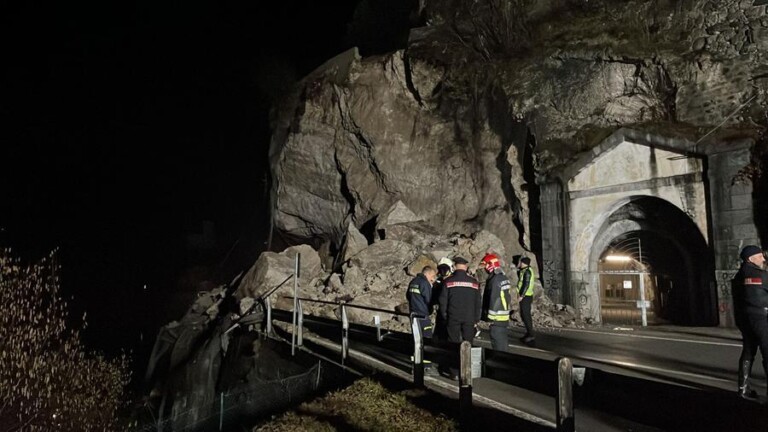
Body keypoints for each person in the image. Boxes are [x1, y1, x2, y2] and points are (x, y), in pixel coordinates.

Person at [732, 245, 768, 400]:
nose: (763, 259)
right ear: (750, 258)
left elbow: (736, 301)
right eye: (760, 256)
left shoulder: (738, 277)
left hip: (746, 321)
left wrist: (741, 322)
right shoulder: (763, 276)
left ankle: (743, 389)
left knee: (748, 352)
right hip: (763, 319)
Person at [480, 253, 512, 352]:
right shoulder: (504, 277)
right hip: (504, 317)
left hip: (496, 319)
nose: (484, 268)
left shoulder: (495, 280)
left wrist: (490, 317)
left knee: (498, 347)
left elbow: (495, 298)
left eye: (485, 265)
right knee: (503, 344)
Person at [406, 266, 438, 338]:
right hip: (423, 314)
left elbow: (408, 296)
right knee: (426, 336)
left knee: (416, 336)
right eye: (432, 276)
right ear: (428, 274)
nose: (433, 278)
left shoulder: (413, 281)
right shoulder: (425, 283)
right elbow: (428, 299)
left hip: (413, 313)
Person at [431, 257, 453, 344]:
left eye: (445, 269)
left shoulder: (453, 281)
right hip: (441, 313)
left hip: (451, 312)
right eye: (441, 269)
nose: (443, 272)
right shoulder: (438, 282)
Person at [517, 256, 536, 344]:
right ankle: (529, 333)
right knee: (524, 314)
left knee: (526, 315)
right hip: (526, 296)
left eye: (520, 262)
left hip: (526, 296)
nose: (519, 264)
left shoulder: (527, 272)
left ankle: (531, 334)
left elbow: (526, 284)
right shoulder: (525, 270)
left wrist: (521, 295)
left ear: (523, 263)